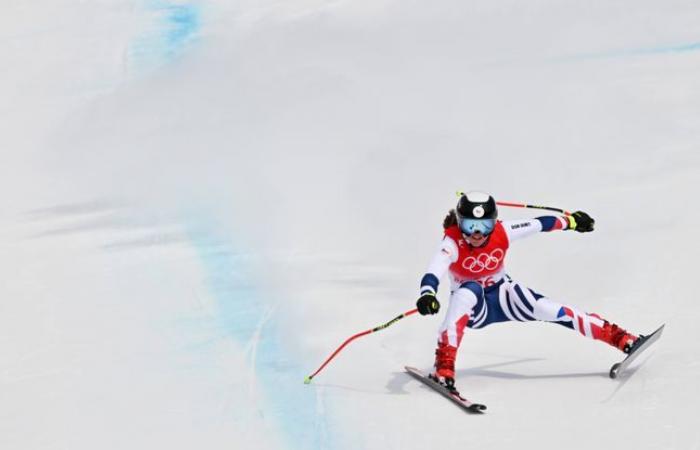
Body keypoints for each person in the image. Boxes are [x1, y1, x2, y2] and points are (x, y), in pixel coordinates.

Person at [416, 191, 638, 391]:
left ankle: (621, 339)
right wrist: (427, 293)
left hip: (503, 296)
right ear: (460, 223)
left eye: (484, 226)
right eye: (470, 225)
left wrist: (571, 222)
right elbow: (434, 271)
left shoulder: (502, 231)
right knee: (469, 289)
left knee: (552, 310)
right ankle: (444, 367)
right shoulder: (452, 241)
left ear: (494, 223)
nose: (477, 233)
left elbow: (539, 224)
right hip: (475, 309)